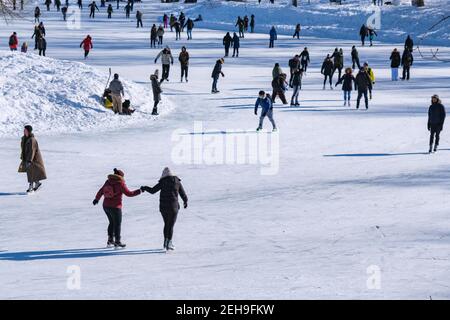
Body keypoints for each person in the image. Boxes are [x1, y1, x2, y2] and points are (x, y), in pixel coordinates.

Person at [140, 167, 188, 251]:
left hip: (163, 207)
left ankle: (165, 242)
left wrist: (144, 188)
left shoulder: (163, 182)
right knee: (171, 225)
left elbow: (152, 191)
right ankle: (169, 243)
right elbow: (182, 193)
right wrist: (185, 201)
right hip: (174, 207)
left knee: (166, 224)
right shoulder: (177, 181)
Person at [93, 168, 142, 248]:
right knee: (117, 224)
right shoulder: (120, 183)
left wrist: (96, 199)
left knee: (111, 222)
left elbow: (101, 190)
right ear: (121, 176)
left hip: (106, 206)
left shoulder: (108, 181)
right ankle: (117, 242)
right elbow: (129, 193)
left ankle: (110, 240)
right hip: (115, 207)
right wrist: (139, 191)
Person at [19, 125, 47, 193]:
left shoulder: (32, 140)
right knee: (31, 173)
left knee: (31, 173)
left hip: (33, 159)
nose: (24, 131)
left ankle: (31, 187)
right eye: (24, 130)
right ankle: (37, 183)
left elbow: (32, 150)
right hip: (27, 158)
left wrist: (29, 160)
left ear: (28, 131)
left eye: (25, 130)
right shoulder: (25, 138)